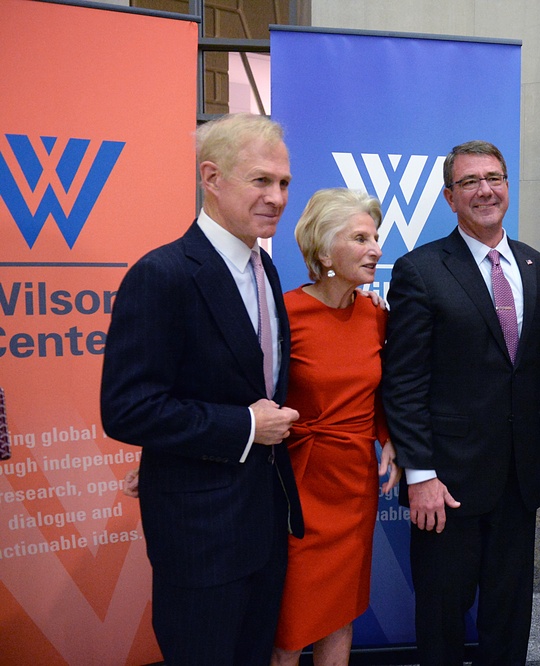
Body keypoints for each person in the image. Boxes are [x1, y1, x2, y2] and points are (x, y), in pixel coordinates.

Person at [100, 113, 304, 666]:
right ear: (211, 178)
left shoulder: (265, 267)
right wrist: (243, 426)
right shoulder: (162, 274)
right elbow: (127, 409)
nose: (278, 197)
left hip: (263, 527)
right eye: (261, 180)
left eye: (283, 182)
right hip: (200, 540)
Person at [381, 140, 540, 665]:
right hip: (447, 484)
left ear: (508, 187)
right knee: (443, 616)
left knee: (510, 613)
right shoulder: (420, 269)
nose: (485, 190)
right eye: (469, 182)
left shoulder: (537, 265)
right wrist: (420, 475)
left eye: (494, 178)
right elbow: (403, 383)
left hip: (518, 475)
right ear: (449, 197)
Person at [270, 188, 402, 666]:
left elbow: (385, 388)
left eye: (376, 237)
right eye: (361, 238)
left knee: (340, 612)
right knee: (289, 624)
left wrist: (387, 437)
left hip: (354, 484)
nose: (376, 249)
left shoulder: (376, 315)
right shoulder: (284, 313)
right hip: (297, 487)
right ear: (324, 250)